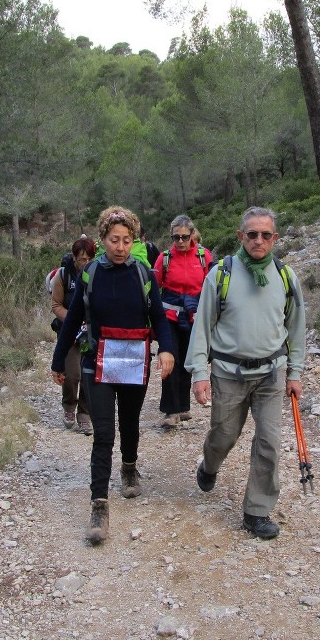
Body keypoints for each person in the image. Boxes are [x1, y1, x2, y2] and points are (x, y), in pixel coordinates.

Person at [51, 205, 175, 544]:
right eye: (113, 240)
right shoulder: (91, 274)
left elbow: (160, 318)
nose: (120, 247)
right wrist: (58, 361)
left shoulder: (144, 275)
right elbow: (73, 319)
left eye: (126, 240)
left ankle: (130, 466)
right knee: (104, 432)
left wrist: (166, 349)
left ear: (133, 240)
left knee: (131, 422)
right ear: (102, 239)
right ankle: (99, 505)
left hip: (134, 361)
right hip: (97, 363)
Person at [186, 207, 306, 540]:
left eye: (266, 235)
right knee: (224, 435)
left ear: (275, 239)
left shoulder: (286, 277)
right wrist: (198, 372)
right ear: (241, 236)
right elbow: (202, 328)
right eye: (251, 234)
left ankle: (257, 511)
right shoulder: (220, 274)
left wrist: (295, 373)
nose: (258, 240)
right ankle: (209, 465)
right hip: (228, 373)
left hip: (271, 374)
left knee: (268, 441)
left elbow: (296, 329)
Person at [153, 214, 213, 429]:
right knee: (171, 359)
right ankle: (171, 410)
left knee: (189, 360)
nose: (180, 241)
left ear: (192, 234)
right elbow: (153, 287)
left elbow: (212, 287)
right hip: (169, 317)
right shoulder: (165, 258)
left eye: (184, 237)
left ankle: (183, 407)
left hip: (194, 317)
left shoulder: (203, 257)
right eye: (176, 237)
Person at [51, 236, 96, 435]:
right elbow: (56, 305)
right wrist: (72, 319)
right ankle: (69, 406)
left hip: (91, 331)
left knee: (89, 374)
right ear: (74, 257)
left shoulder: (98, 273)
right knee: (71, 374)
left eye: (87, 259)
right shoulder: (62, 276)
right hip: (69, 331)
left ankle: (85, 414)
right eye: (80, 259)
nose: (83, 263)